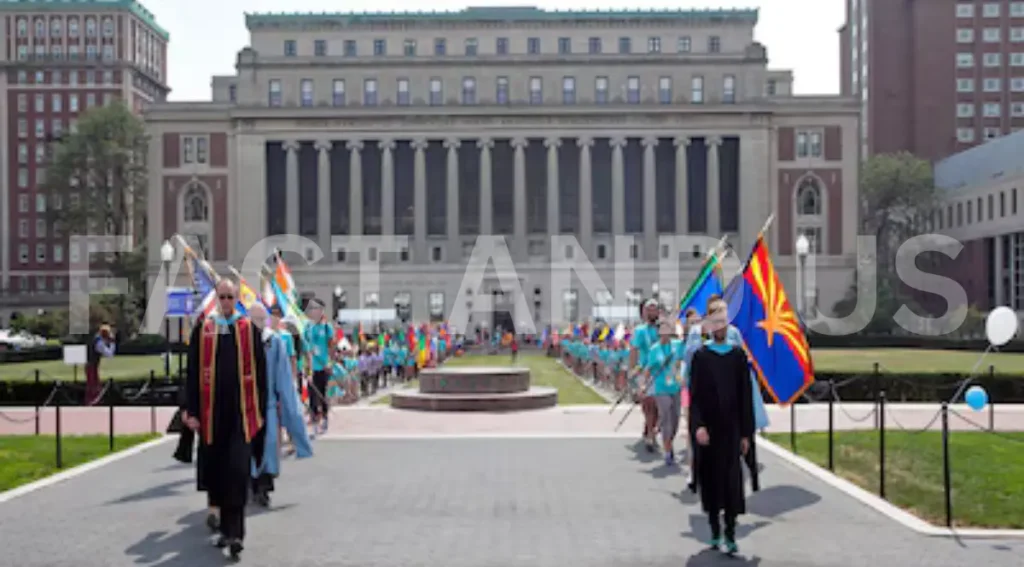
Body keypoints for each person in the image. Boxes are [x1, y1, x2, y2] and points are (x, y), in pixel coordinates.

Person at [183, 280, 267, 560]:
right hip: (211, 416)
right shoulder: (204, 329)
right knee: (218, 474)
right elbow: (192, 372)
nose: (227, 301)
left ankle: (236, 534)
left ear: (237, 299)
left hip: (241, 417)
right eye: (223, 297)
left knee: (238, 472)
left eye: (231, 297)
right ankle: (224, 528)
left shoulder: (248, 330)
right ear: (217, 299)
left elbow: (261, 374)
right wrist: (190, 410)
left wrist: (262, 411)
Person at [687, 305, 755, 556]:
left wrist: (746, 433)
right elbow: (695, 397)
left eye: (723, 322)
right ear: (708, 326)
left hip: (732, 429)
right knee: (712, 480)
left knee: (732, 481)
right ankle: (715, 528)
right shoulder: (701, 357)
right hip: (709, 430)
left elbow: (745, 396)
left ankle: (730, 531)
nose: (719, 327)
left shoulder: (737, 356)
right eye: (715, 322)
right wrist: (699, 425)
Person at [248, 304, 312, 508]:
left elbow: (283, 377)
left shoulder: (273, 341)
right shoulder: (241, 341)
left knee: (269, 445)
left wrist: (289, 407)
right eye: (253, 319)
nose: (257, 323)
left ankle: (264, 488)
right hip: (246, 405)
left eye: (260, 319)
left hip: (267, 404)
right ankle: (251, 485)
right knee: (248, 447)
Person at [645, 319, 683, 466]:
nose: (665, 331)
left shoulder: (677, 345)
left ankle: (669, 441)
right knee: (666, 415)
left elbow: (682, 359)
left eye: (668, 328)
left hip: (676, 386)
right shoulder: (654, 349)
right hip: (661, 388)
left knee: (675, 420)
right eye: (662, 329)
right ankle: (667, 450)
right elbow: (649, 369)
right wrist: (644, 386)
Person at [629, 299, 661, 452]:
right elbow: (634, 350)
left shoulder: (663, 328)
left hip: (661, 371)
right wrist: (632, 369)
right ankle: (650, 433)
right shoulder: (640, 330)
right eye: (649, 309)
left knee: (659, 406)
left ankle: (650, 427)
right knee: (648, 404)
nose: (652, 312)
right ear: (645, 312)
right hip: (644, 371)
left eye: (655, 309)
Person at [302, 300, 333, 435]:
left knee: (323, 394)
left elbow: (331, 347)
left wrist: (330, 363)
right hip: (311, 367)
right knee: (312, 396)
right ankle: (314, 420)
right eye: (314, 309)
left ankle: (325, 417)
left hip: (324, 366)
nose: (317, 312)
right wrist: (306, 364)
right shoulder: (307, 327)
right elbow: (304, 347)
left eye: (319, 309)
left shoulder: (327, 328)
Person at [85, 324, 116, 404]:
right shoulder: (99, 343)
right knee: (93, 385)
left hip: (91, 365)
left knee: (92, 385)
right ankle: (93, 402)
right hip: (92, 366)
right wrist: (112, 343)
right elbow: (109, 354)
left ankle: (92, 401)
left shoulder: (96, 339)